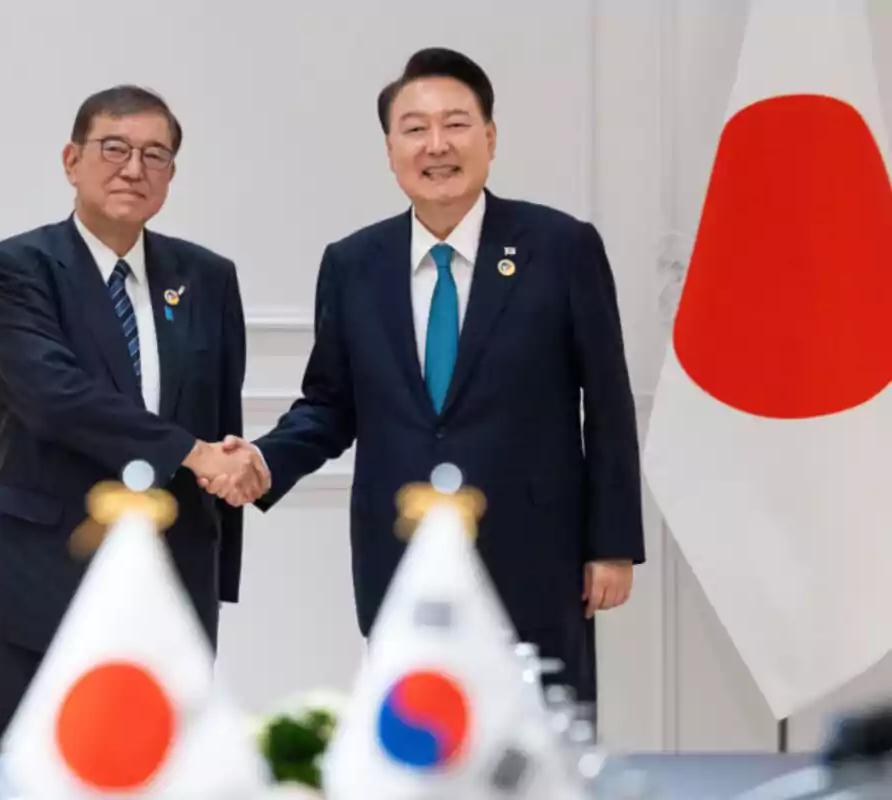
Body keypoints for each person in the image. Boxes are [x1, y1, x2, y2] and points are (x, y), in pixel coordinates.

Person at [205, 48, 644, 706]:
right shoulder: (354, 262)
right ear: (390, 149)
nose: (436, 145)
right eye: (415, 128)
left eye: (456, 124)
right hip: (400, 555)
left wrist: (611, 546)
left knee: (538, 750)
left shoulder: (560, 247)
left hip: (534, 558)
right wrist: (264, 460)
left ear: (490, 138)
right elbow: (330, 404)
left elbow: (607, 405)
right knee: (414, 745)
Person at [0, 85, 269, 750]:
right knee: (44, 770)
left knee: (171, 769)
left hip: (175, 571)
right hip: (49, 567)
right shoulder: (19, 267)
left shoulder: (207, 277)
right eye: (114, 149)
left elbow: (221, 413)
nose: (134, 169)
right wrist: (193, 453)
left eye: (154, 155)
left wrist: (220, 548)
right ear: (71, 160)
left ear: (170, 176)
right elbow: (53, 397)